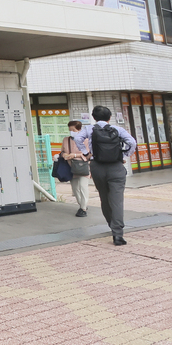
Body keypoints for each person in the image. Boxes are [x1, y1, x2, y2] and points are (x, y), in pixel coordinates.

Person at [73, 105, 137, 246]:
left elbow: (77, 139)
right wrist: (124, 155)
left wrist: (85, 153)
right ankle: (117, 233)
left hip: (97, 166)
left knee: (104, 198)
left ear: (94, 117)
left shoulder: (89, 129)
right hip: (116, 167)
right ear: (109, 117)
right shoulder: (117, 129)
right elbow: (132, 142)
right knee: (117, 200)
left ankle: (111, 224)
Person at [61, 119, 91, 217]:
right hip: (70, 167)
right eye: (70, 130)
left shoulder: (86, 140)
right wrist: (65, 155)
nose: (71, 132)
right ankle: (82, 204)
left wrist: (74, 155)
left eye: (73, 130)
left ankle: (83, 208)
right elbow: (62, 151)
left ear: (79, 129)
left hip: (83, 166)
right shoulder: (66, 139)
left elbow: (88, 154)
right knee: (75, 189)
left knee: (83, 187)